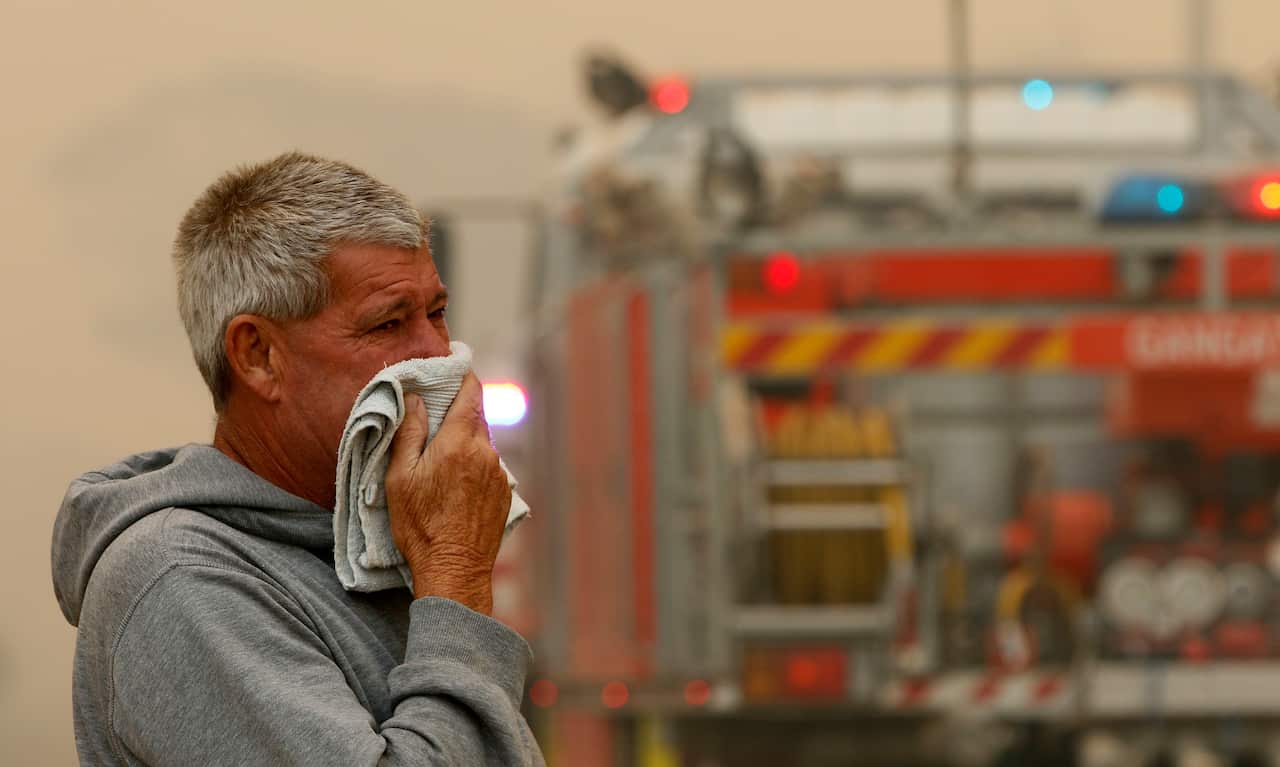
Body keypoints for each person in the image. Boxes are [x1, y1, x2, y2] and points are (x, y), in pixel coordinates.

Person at [50, 152, 545, 766]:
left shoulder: (369, 555)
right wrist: (455, 576)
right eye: (387, 324)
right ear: (257, 356)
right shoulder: (181, 582)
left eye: (437, 314)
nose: (436, 355)